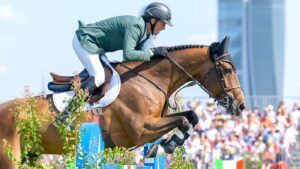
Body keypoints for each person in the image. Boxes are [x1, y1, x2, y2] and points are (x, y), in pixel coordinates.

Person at [73, 2, 173, 97]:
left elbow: (137, 58)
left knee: (111, 75)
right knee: (99, 77)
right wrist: (152, 53)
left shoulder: (145, 34)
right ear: (153, 21)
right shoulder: (136, 26)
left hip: (97, 49)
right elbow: (128, 55)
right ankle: (69, 110)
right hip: (86, 41)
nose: (164, 28)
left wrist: (155, 56)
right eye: (163, 24)